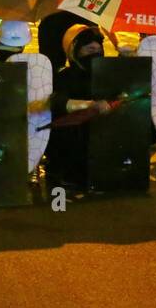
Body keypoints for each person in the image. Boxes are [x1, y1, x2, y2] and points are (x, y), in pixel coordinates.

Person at [45, 24, 111, 190]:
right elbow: (57, 102)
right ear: (75, 52)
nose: (95, 54)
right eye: (89, 50)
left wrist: (130, 62)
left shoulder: (107, 76)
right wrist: (88, 105)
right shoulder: (63, 77)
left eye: (98, 50)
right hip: (71, 149)